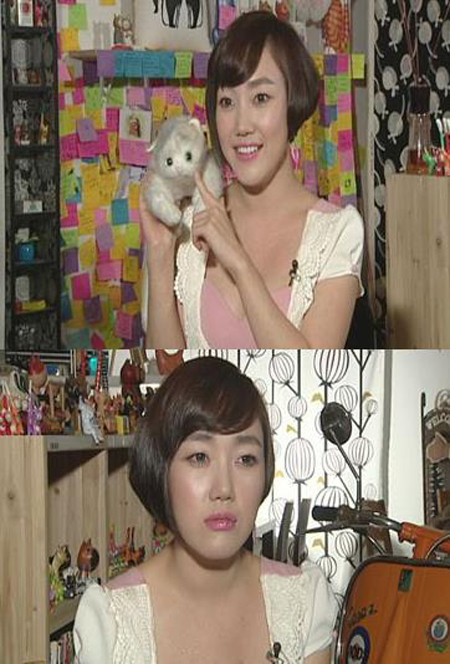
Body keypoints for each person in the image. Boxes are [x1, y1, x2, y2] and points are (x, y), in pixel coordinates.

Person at [74, 356, 338, 663]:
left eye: (246, 459)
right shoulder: (110, 623)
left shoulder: (304, 603)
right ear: (160, 468)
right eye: (199, 457)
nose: (224, 488)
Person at [140, 10, 364, 350]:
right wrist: (159, 256)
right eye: (227, 102)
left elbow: (312, 370)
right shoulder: (187, 220)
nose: (241, 125)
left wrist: (239, 262)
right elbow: (169, 368)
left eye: (260, 98)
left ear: (293, 102)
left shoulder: (337, 232)